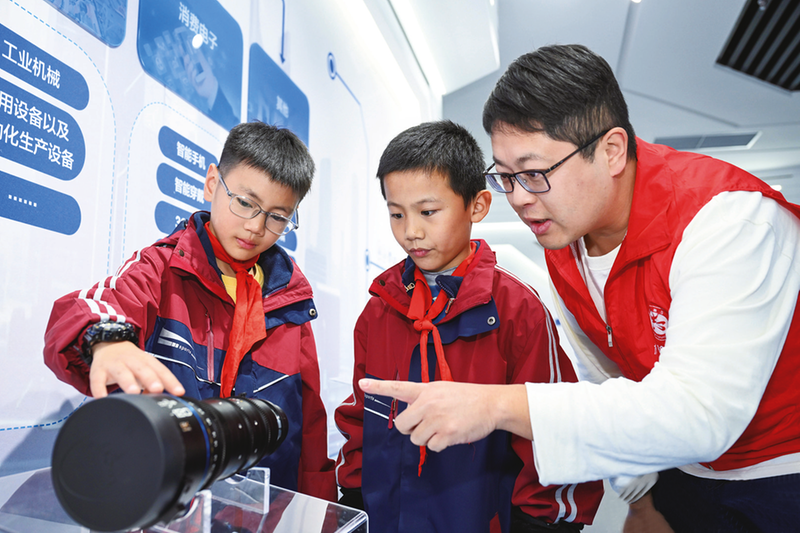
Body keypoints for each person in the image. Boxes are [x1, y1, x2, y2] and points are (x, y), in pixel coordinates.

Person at [360, 44, 800, 532]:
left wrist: (494, 404)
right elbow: (607, 382)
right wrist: (641, 497)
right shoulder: (565, 243)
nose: (519, 199)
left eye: (535, 174)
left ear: (611, 151)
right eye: (506, 177)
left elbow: (700, 412)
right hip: (681, 473)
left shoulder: (729, 220)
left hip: (781, 473)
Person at [43, 121, 336, 501]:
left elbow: (309, 426)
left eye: (277, 217)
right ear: (213, 183)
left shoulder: (291, 301)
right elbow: (91, 307)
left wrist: (318, 511)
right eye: (245, 203)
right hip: (171, 500)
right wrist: (109, 340)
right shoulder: (162, 268)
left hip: (267, 508)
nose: (255, 226)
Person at [334, 120, 603, 533]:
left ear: (477, 206)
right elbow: (360, 421)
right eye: (396, 214)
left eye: (428, 212)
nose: (411, 231)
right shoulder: (380, 310)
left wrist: (542, 524)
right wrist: (353, 502)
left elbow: (553, 431)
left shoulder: (518, 310)